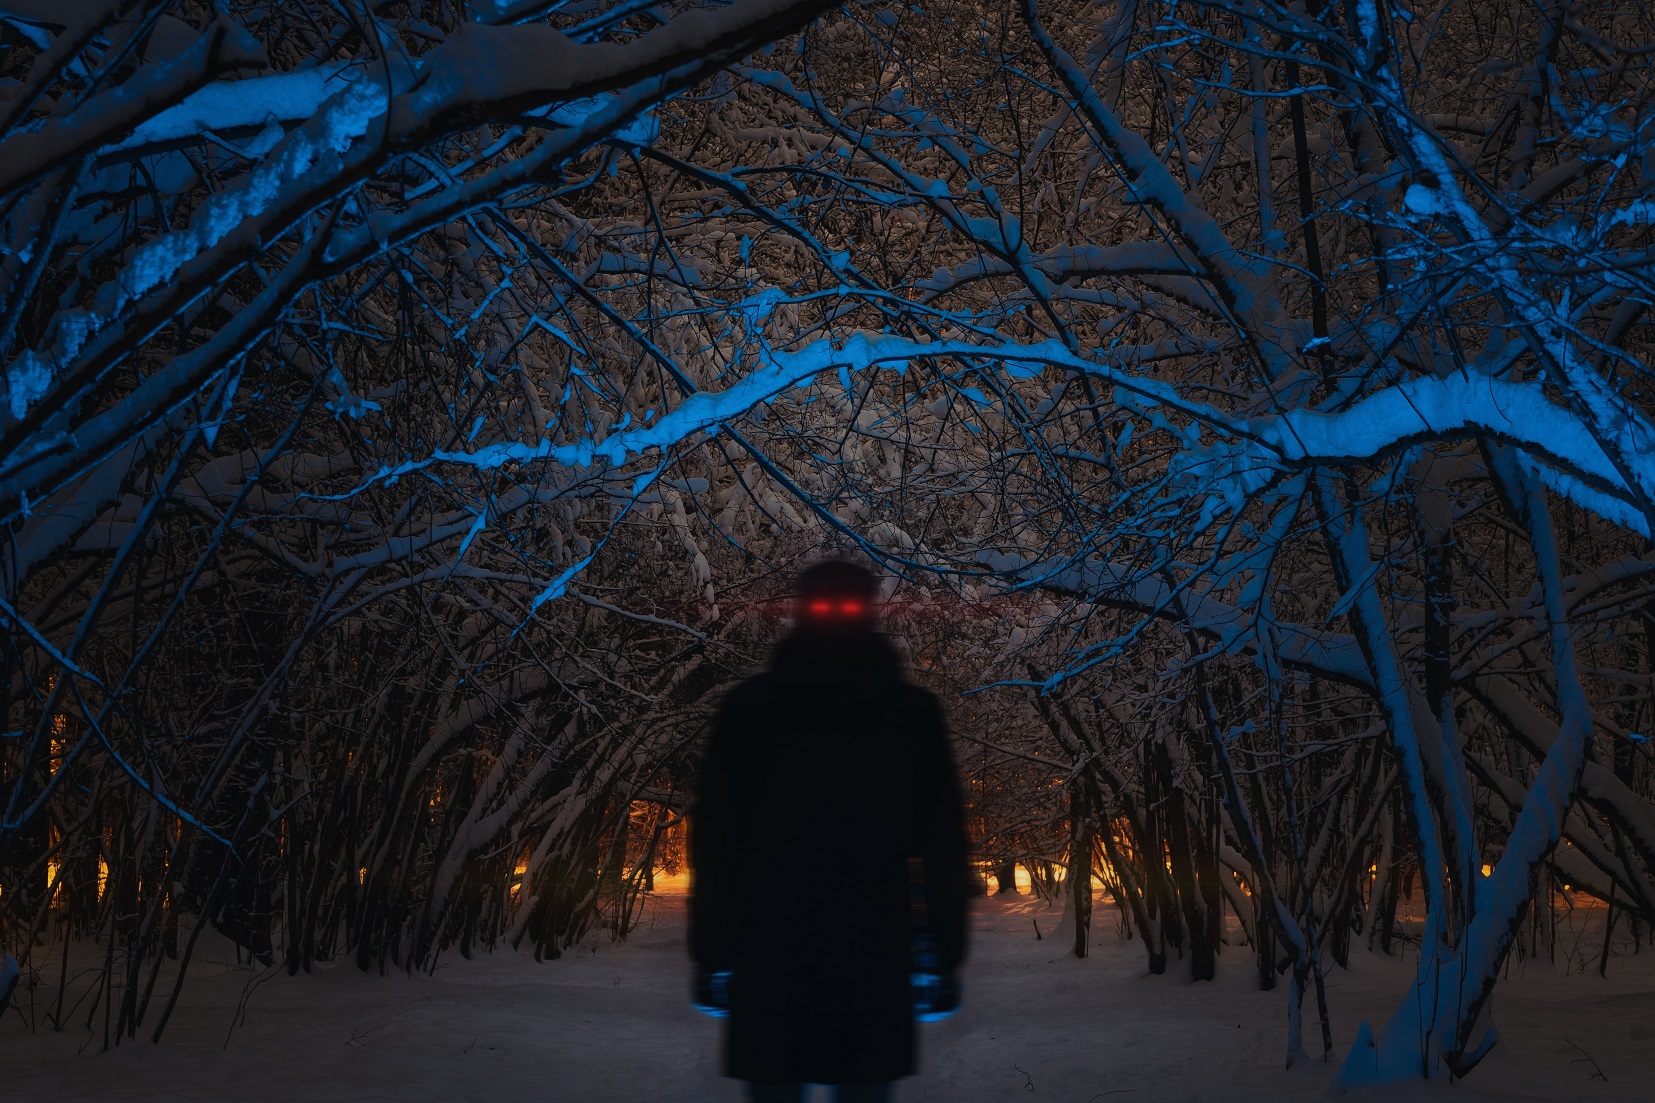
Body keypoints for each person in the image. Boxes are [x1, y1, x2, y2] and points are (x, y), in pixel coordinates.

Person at [688, 560, 971, 1103]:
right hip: (873, 951)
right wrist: (944, 955)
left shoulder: (749, 710)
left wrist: (711, 951)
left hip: (769, 950)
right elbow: (943, 849)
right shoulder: (911, 714)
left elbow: (715, 844)